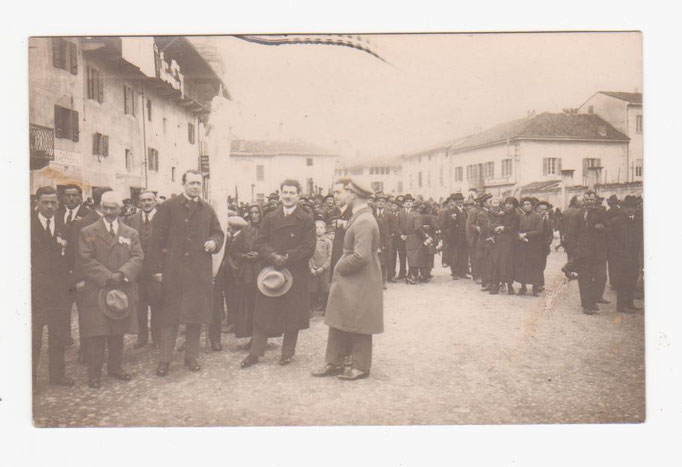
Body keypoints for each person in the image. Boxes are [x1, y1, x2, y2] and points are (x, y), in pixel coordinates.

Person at [150, 170, 225, 376]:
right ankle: (165, 359)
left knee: (195, 317)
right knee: (170, 318)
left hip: (198, 273)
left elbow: (218, 233)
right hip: (173, 271)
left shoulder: (207, 210)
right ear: (183, 184)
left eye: (198, 183)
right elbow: (155, 240)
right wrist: (157, 270)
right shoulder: (168, 207)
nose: (195, 187)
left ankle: (191, 357)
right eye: (191, 183)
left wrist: (214, 242)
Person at [312, 179, 383, 380]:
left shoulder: (363, 220)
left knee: (359, 321)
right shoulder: (360, 217)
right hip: (353, 278)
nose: (343, 196)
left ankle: (360, 366)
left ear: (353, 195)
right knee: (339, 318)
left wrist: (340, 266)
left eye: (347, 193)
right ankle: (334, 361)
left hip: (359, 278)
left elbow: (361, 256)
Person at [240, 179, 316, 368]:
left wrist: (288, 257)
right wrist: (273, 257)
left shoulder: (306, 219)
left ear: (298, 196)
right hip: (272, 271)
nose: (288, 196)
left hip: (295, 271)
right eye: (285, 192)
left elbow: (309, 247)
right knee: (262, 312)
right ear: (280, 194)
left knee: (293, 314)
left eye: (292, 193)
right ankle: (255, 353)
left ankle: (287, 353)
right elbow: (260, 242)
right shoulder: (270, 217)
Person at [76, 191, 143, 388]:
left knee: (117, 332)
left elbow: (138, 258)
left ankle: (115, 368)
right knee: (96, 334)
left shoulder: (131, 233)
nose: (108, 211)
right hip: (96, 290)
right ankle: (94, 374)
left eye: (113, 208)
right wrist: (107, 277)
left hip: (121, 289)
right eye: (105, 207)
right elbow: (85, 259)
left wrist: (122, 274)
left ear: (120, 209)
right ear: (100, 207)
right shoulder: (88, 232)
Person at [31, 186, 74, 393]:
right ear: (36, 203)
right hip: (34, 293)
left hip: (58, 293)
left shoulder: (63, 226)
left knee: (58, 336)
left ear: (58, 204)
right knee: (33, 339)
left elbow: (70, 258)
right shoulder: (25, 226)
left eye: (53, 202)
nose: (49, 206)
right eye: (45, 202)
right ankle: (29, 380)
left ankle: (57, 375)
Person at [66, 186, 113, 364]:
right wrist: (78, 280)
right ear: (100, 201)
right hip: (89, 278)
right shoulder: (83, 223)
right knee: (88, 316)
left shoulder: (116, 219)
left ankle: (108, 351)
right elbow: (75, 255)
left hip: (111, 277)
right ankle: (86, 351)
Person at [122, 190, 160, 349]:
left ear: (155, 201)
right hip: (137, 273)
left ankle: (158, 338)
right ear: (139, 203)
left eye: (150, 200)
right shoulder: (131, 220)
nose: (146, 203)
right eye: (143, 200)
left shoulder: (163, 219)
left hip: (156, 271)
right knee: (140, 306)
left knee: (158, 305)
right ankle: (142, 336)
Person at [57, 184, 92, 346]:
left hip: (81, 269)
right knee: (63, 306)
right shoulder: (58, 214)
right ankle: (65, 338)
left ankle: (85, 347)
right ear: (63, 197)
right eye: (68, 195)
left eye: (74, 195)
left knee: (84, 310)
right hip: (62, 270)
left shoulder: (88, 215)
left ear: (81, 197)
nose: (71, 198)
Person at [565, 191, 608, 315]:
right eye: (587, 199)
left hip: (598, 252)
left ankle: (593, 299)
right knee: (585, 279)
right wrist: (574, 251)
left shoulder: (601, 213)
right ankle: (587, 305)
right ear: (584, 201)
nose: (589, 201)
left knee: (601, 277)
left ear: (595, 200)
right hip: (583, 252)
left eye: (591, 199)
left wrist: (603, 228)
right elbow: (571, 234)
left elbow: (609, 228)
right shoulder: (578, 214)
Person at [226, 206, 263, 342]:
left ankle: (260, 338)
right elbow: (234, 252)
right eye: (252, 213)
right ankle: (252, 337)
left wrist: (260, 254)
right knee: (249, 305)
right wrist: (245, 256)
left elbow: (272, 249)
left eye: (256, 212)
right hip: (247, 273)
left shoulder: (266, 230)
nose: (254, 215)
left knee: (261, 305)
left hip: (262, 271)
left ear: (261, 214)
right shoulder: (245, 231)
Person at [609, 196, 644, 313]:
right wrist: (618, 252)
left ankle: (630, 303)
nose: (630, 210)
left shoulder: (639, 221)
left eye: (633, 208)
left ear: (636, 209)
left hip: (634, 256)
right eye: (628, 207)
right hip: (621, 257)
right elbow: (611, 239)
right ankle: (621, 306)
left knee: (632, 279)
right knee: (622, 281)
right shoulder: (616, 221)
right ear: (624, 208)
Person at [489, 196, 520, 295]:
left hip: (510, 242)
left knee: (508, 264)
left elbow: (514, 227)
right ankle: (496, 285)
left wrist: (503, 228)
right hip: (499, 242)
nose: (508, 205)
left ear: (514, 205)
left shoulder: (516, 215)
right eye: (507, 203)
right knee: (496, 262)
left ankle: (509, 286)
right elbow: (495, 224)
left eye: (511, 204)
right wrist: (496, 228)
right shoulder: (502, 214)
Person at [514, 197, 545, 297]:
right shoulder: (521, 216)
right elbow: (517, 228)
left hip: (534, 245)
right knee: (523, 265)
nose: (526, 206)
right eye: (524, 205)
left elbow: (539, 231)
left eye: (528, 204)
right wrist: (519, 235)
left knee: (534, 265)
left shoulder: (537, 216)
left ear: (532, 206)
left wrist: (526, 235)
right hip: (522, 244)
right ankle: (523, 287)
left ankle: (535, 288)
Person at [329, 179, 354, 279]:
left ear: (348, 192)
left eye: (338, 192)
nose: (335, 196)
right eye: (334, 193)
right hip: (337, 261)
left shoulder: (354, 211)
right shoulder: (335, 211)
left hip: (348, 265)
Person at [309, 219, 333, 314]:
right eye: (316, 228)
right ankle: (311, 308)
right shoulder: (310, 241)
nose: (318, 229)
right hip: (313, 269)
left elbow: (330, 256)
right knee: (312, 289)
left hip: (324, 270)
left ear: (325, 230)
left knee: (325, 289)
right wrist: (311, 268)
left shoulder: (328, 242)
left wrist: (323, 268)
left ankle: (325, 309)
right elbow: (308, 256)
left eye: (321, 228)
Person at [373, 192, 396, 286]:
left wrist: (388, 240)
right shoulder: (372, 214)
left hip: (385, 242)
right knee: (374, 262)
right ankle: (375, 282)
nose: (381, 203)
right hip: (374, 240)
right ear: (376, 202)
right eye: (379, 201)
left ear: (385, 203)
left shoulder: (389, 215)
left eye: (383, 201)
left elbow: (392, 229)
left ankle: (382, 282)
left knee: (384, 262)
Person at [398, 194, 420, 284]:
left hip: (411, 238)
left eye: (410, 202)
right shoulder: (400, 213)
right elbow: (397, 225)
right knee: (402, 255)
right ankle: (402, 272)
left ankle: (411, 274)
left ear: (412, 203)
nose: (408, 203)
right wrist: (401, 235)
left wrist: (410, 236)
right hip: (402, 238)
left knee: (411, 256)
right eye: (406, 202)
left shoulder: (415, 213)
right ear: (403, 204)